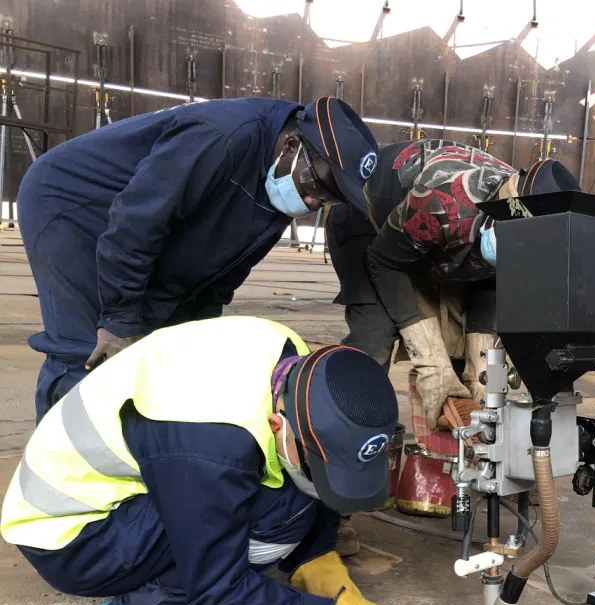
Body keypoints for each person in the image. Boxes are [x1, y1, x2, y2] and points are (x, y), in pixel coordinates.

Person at [0, 316, 416, 605]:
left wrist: (317, 557)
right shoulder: (209, 444)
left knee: (294, 478)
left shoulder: (300, 370)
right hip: (71, 534)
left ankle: (297, 545)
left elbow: (303, 461)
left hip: (147, 473)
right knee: (278, 511)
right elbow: (218, 591)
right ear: (278, 423)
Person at [18, 95, 378, 423]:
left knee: (160, 353)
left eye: (328, 199)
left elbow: (224, 271)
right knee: (94, 353)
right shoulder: (220, 137)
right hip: (73, 207)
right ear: (291, 145)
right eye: (317, 187)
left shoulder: (284, 178)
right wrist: (118, 318)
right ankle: (57, 469)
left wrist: (193, 334)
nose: (314, 204)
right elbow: (135, 224)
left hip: (137, 222)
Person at [327, 140, 580, 429]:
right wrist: (430, 362)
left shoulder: (539, 234)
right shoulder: (443, 200)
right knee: (376, 335)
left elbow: (492, 281)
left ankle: (452, 448)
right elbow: (385, 261)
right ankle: (349, 426)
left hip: (431, 237)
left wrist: (481, 364)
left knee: (458, 352)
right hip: (367, 221)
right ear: (503, 213)